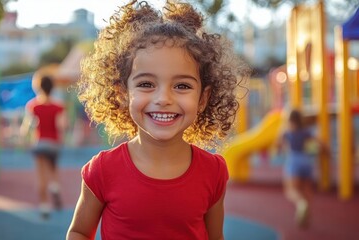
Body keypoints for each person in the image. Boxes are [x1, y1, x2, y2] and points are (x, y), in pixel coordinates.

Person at [66, 1, 249, 239]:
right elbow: (79, 231)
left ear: (203, 98)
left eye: (182, 86)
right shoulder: (102, 170)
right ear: (123, 93)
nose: (163, 98)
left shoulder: (213, 171)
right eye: (146, 84)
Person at [20, 75, 67, 219]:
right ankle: (55, 187)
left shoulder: (33, 105)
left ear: (38, 87)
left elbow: (26, 128)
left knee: (41, 176)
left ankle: (44, 207)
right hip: (53, 144)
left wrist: (24, 139)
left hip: (39, 143)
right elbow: (62, 126)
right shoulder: (59, 106)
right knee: (53, 169)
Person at [278, 109, 327, 228]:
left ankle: (301, 204)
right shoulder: (306, 131)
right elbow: (320, 143)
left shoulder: (287, 131)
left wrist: (282, 147)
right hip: (306, 160)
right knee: (307, 189)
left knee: (291, 190)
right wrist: (325, 150)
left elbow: (278, 145)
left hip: (294, 159)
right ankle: (306, 217)